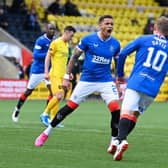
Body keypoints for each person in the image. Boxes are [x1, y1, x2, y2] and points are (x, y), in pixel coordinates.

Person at [34, 15, 121, 154]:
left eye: (112, 24)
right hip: (87, 80)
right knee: (69, 107)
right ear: (100, 25)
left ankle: (113, 142)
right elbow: (74, 57)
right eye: (107, 23)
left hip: (106, 81)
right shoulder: (88, 40)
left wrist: (117, 83)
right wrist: (67, 77)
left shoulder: (115, 44)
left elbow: (117, 65)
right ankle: (46, 132)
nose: (110, 26)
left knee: (116, 110)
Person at [112, 16, 168, 161]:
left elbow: (123, 53)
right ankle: (117, 142)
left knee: (125, 112)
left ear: (154, 27)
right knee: (135, 115)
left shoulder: (144, 39)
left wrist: (119, 75)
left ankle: (121, 140)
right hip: (153, 89)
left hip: (137, 82)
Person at [12, 23, 56, 123]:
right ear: (46, 29)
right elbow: (36, 55)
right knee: (28, 92)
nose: (52, 31)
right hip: (37, 71)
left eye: (54, 29)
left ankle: (45, 115)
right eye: (50, 29)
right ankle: (17, 109)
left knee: (53, 93)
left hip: (49, 71)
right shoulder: (40, 40)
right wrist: (49, 53)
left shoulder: (55, 41)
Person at [39, 25, 76, 127]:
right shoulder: (55, 43)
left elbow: (65, 62)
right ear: (66, 32)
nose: (71, 38)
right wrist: (46, 72)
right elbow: (47, 57)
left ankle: (52, 120)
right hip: (54, 75)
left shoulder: (66, 45)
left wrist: (69, 73)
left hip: (63, 75)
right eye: (71, 35)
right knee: (59, 95)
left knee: (59, 97)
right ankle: (44, 114)